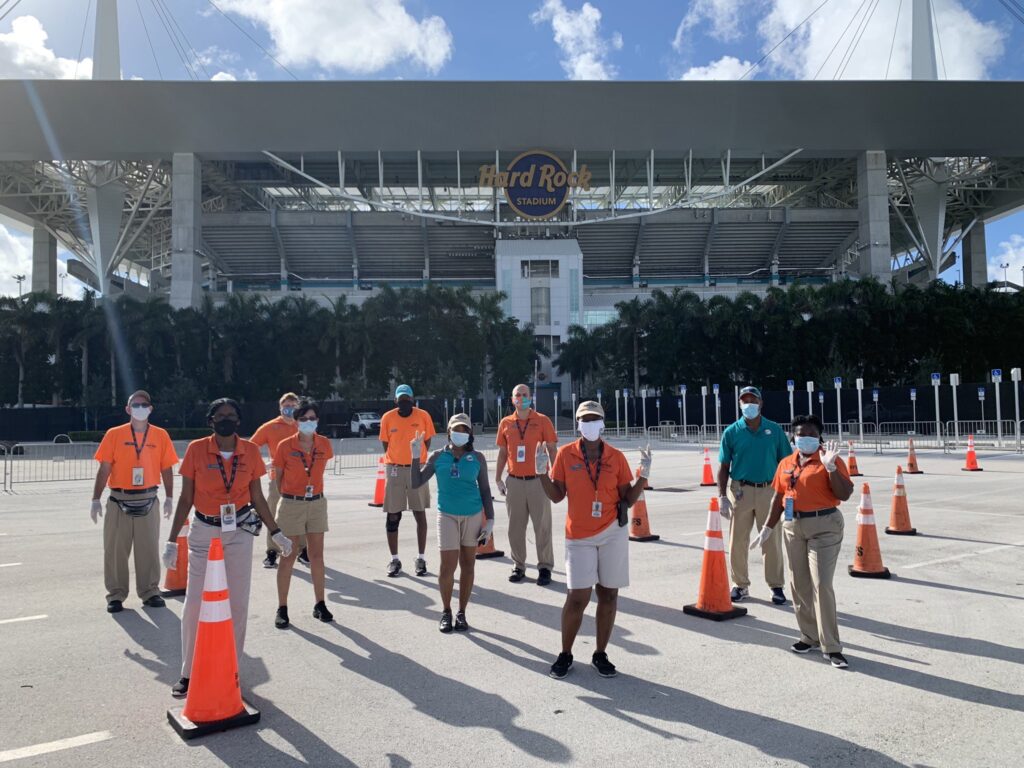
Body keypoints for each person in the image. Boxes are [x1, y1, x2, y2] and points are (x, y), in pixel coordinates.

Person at [163, 398, 292, 699]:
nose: (226, 419)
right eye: (220, 415)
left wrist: (276, 532)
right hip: (204, 531)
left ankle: (230, 667)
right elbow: (185, 499)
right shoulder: (196, 450)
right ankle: (189, 672)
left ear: (239, 420)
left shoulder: (249, 451)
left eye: (231, 415)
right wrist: (171, 540)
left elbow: (258, 497)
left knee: (237, 604)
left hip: (239, 533)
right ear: (210, 421)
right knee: (195, 603)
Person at [539, 401, 650, 679]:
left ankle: (600, 653)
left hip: (612, 531)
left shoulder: (615, 457)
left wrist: (643, 476)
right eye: (584, 419)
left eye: (594, 419)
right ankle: (565, 654)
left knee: (609, 593)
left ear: (602, 423)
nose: (589, 424)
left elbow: (628, 498)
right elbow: (556, 496)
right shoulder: (565, 455)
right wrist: (541, 473)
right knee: (577, 597)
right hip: (579, 536)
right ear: (578, 424)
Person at [758, 414, 853, 669]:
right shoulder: (786, 463)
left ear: (819, 437)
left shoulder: (827, 460)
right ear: (793, 437)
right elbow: (778, 497)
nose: (806, 438)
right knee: (799, 584)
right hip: (793, 526)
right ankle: (808, 636)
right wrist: (768, 527)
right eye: (801, 434)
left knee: (821, 585)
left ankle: (831, 646)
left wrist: (831, 468)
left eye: (812, 434)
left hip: (824, 526)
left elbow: (844, 493)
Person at [91, 390, 179, 614]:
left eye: (144, 404)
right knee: (115, 551)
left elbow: (166, 468)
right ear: (128, 409)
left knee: (147, 548)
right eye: (135, 404)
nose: (140, 407)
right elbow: (105, 468)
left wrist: (169, 497)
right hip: (119, 498)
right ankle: (116, 594)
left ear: (150, 409)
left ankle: (150, 592)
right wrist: (95, 498)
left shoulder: (160, 435)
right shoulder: (114, 434)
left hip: (149, 498)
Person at [410, 414, 495, 633]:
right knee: (447, 566)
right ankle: (446, 611)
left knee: (468, 565)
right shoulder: (438, 456)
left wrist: (490, 521)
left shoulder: (477, 458)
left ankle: (462, 612)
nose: (461, 433)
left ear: (470, 434)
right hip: (447, 515)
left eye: (465, 430)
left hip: (473, 515)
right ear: (449, 432)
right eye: (457, 429)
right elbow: (416, 482)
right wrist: (414, 457)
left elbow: (485, 490)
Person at [717, 385, 794, 605]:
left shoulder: (774, 430)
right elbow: (723, 466)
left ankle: (776, 585)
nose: (748, 404)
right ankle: (740, 585)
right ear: (740, 404)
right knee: (738, 540)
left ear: (761, 403)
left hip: (770, 489)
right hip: (741, 489)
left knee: (771, 538)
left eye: (753, 400)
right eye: (744, 401)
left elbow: (787, 463)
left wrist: (788, 492)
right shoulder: (731, 432)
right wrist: (722, 495)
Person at [272, 399, 335, 629]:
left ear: (317, 420)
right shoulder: (285, 446)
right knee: (288, 556)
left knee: (317, 556)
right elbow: (278, 478)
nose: (308, 422)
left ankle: (320, 603)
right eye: (303, 419)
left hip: (317, 504)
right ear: (296, 422)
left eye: (312, 418)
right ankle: (282, 607)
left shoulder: (325, 444)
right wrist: (291, 497)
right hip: (291, 504)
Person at [495, 384, 558, 586]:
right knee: (515, 528)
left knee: (542, 527)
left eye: (525, 395)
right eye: (517, 395)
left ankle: (545, 567)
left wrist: (556, 475)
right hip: (514, 481)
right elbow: (503, 453)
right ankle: (519, 565)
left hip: (538, 481)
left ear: (531, 397)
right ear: (512, 399)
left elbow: (552, 449)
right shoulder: (506, 423)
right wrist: (498, 478)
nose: (521, 398)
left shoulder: (542, 421)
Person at [379, 384, 435, 578]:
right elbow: (386, 444)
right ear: (395, 401)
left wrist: (416, 456)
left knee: (419, 513)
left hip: (416, 467)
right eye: (400, 399)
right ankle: (395, 560)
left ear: (413, 400)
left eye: (407, 399)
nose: (404, 403)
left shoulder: (423, 416)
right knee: (393, 515)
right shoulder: (388, 418)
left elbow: (427, 442)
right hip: (394, 469)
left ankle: (421, 558)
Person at [251, 393, 308, 569]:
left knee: (302, 515)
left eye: (293, 405)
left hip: (301, 480)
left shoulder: (304, 425)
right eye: (286, 405)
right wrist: (264, 465)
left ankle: (302, 550)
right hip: (278, 480)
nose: (289, 408)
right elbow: (250, 447)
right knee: (273, 515)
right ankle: (272, 551)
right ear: (280, 407)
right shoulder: (270, 427)